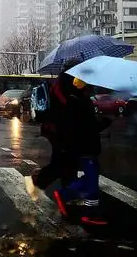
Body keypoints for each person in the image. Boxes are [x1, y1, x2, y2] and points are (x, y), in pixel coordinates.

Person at [30, 58, 111, 225]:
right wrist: (102, 122)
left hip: (61, 132)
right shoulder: (72, 89)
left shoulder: (63, 83)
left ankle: (65, 196)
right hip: (67, 134)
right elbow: (78, 119)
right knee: (66, 164)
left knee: (67, 163)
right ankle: (54, 188)